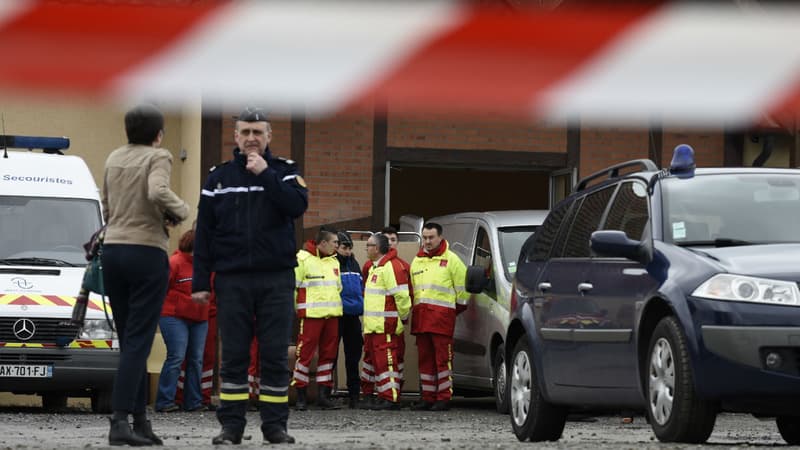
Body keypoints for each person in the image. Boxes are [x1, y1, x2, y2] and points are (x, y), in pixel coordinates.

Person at [192, 107, 308, 445]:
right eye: (245, 132)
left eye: (258, 132)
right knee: (235, 356)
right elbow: (205, 234)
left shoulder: (284, 172)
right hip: (232, 280)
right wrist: (201, 282)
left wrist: (265, 174)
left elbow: (296, 206)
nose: (252, 138)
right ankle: (231, 426)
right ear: (236, 137)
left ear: (269, 136)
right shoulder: (219, 178)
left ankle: (275, 427)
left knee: (273, 355)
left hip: (275, 279)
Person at [101, 103, 189, 446]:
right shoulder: (159, 156)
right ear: (158, 134)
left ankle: (140, 421)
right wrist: (179, 211)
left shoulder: (113, 158)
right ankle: (120, 422)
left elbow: (107, 206)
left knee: (129, 341)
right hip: (146, 252)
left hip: (113, 251)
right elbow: (156, 191)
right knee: (139, 340)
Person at [410, 222, 468, 411]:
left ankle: (443, 397)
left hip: (442, 321)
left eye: (431, 237)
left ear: (440, 237)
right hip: (421, 320)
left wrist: (449, 312)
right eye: (424, 237)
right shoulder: (417, 261)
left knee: (442, 360)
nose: (427, 241)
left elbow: (464, 293)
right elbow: (413, 292)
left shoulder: (452, 260)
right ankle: (428, 397)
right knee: (425, 361)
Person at [155, 229, 210, 413]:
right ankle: (164, 401)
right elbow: (160, 288)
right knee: (176, 357)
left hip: (199, 318)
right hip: (173, 317)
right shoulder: (175, 262)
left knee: (196, 360)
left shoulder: (205, 265)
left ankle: (193, 402)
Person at [291, 227, 342, 410]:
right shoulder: (302, 259)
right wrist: (297, 311)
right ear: (323, 243)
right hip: (311, 316)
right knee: (304, 355)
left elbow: (338, 288)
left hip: (332, 315)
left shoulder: (334, 261)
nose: (337, 245)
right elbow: (293, 288)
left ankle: (323, 395)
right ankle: (301, 396)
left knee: (328, 356)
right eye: (334, 242)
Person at [360, 233, 411, 410]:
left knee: (387, 363)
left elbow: (403, 297)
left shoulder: (391, 267)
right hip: (374, 327)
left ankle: (390, 398)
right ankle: (384, 396)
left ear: (377, 248)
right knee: (378, 364)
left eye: (369, 245)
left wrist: (402, 318)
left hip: (385, 327)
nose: (366, 248)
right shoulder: (375, 267)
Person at [334, 231, 364, 409]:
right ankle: (326, 392)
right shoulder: (332, 264)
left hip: (353, 316)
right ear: (337, 247)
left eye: (350, 247)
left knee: (353, 357)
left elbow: (360, 287)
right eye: (344, 247)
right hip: (337, 315)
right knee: (331, 355)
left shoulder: (355, 264)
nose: (347, 250)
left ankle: (354, 394)